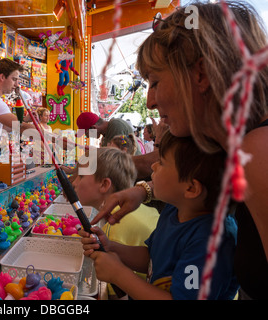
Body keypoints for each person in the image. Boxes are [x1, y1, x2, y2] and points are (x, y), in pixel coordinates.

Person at [94, 1, 268, 299]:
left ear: (200, 74)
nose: (149, 101)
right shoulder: (233, 146)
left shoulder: (259, 151)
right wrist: (144, 191)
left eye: (156, 81)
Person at [81, 132, 239, 299]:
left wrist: (119, 275)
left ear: (191, 188)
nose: (154, 166)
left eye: (162, 162)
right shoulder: (175, 209)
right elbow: (152, 258)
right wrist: (111, 246)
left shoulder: (210, 243)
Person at [72, 147, 159, 298]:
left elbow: (118, 292)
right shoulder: (129, 212)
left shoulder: (116, 227)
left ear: (105, 185)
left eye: (81, 176)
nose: (74, 183)